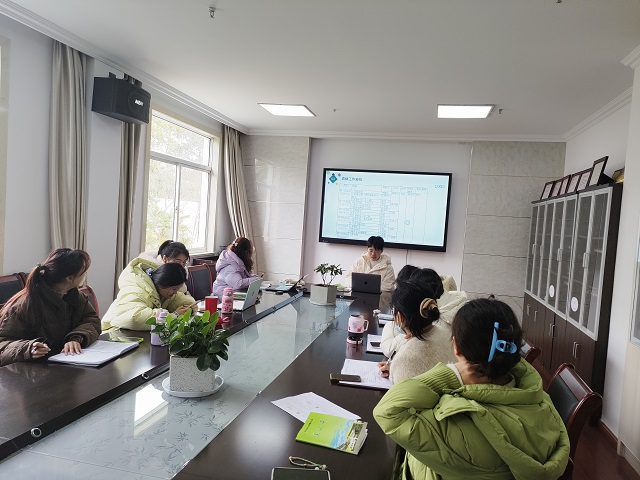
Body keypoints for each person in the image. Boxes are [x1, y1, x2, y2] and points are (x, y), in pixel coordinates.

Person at [374, 298, 570, 480]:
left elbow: (388, 411)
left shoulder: (459, 426)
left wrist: (452, 374)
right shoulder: (542, 403)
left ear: (456, 348)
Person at [0, 248, 101, 367]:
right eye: (84, 272)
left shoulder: (76, 296)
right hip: (33, 371)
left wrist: (76, 338)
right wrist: (28, 348)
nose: (85, 275)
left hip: (66, 364)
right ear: (69, 278)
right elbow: (3, 344)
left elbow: (91, 320)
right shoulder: (22, 306)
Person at [378, 269, 455, 384]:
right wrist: (394, 367)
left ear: (399, 317)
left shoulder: (405, 359)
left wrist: (395, 369)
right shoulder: (448, 336)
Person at [102, 261, 196, 331]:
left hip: (131, 336)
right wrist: (173, 316)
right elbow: (135, 318)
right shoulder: (137, 290)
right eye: (174, 289)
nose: (175, 292)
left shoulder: (161, 290)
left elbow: (178, 299)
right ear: (163, 283)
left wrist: (188, 306)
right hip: (112, 334)